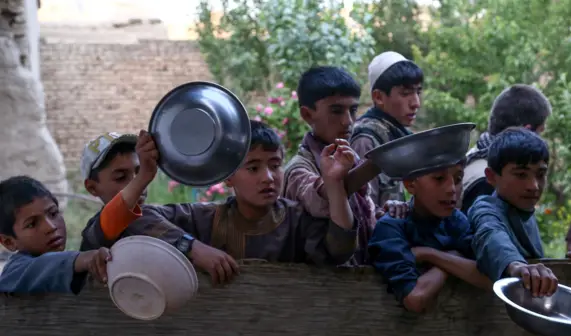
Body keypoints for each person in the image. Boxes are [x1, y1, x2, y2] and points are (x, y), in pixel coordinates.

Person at [122, 120, 359, 285]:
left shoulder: (297, 221)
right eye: (253, 168)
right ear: (228, 177)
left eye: (275, 166)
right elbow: (138, 218)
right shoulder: (206, 219)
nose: (268, 177)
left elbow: (339, 252)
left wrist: (334, 184)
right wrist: (195, 248)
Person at [468, 128, 571, 298]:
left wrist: (570, 261)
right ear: (492, 177)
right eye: (521, 175)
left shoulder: (523, 210)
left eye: (540, 174)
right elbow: (490, 236)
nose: (534, 186)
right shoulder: (485, 208)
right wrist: (515, 265)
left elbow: (536, 262)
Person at [369, 139, 491, 313]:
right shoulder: (392, 226)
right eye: (439, 179)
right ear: (411, 184)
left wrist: (432, 255)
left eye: (457, 179)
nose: (451, 189)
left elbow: (488, 278)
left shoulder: (456, 221)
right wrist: (454, 259)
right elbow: (415, 299)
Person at [283, 66, 376, 264]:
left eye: (352, 110)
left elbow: (366, 218)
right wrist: (377, 164)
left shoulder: (352, 160)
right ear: (307, 115)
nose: (348, 121)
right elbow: (319, 196)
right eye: (336, 111)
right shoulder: (298, 170)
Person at [0, 177, 113, 294]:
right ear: (9, 242)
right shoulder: (14, 273)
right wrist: (86, 258)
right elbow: (41, 267)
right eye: (32, 224)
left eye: (53, 213)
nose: (51, 227)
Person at [349, 51, 423, 214]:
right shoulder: (366, 140)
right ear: (379, 97)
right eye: (405, 93)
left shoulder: (401, 135)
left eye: (418, 92)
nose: (416, 103)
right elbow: (363, 212)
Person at [461, 84, 552, 213]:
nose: (533, 186)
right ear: (526, 131)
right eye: (540, 133)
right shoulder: (489, 181)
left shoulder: (478, 153)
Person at [80, 130, 159, 250]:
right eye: (120, 177)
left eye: (139, 172)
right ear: (92, 188)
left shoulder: (160, 213)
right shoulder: (95, 234)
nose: (137, 183)